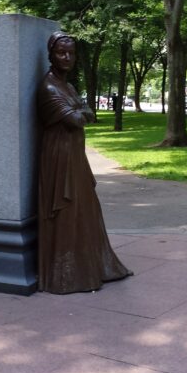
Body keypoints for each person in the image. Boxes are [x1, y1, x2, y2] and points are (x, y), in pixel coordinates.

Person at [34, 32, 133, 294]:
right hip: (59, 157)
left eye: (71, 53)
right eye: (61, 53)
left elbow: (88, 113)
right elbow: (79, 119)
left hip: (75, 154)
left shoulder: (69, 86)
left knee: (85, 207)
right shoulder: (49, 87)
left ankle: (90, 265)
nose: (67, 57)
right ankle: (66, 275)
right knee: (66, 210)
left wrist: (82, 111)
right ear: (50, 55)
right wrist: (82, 111)